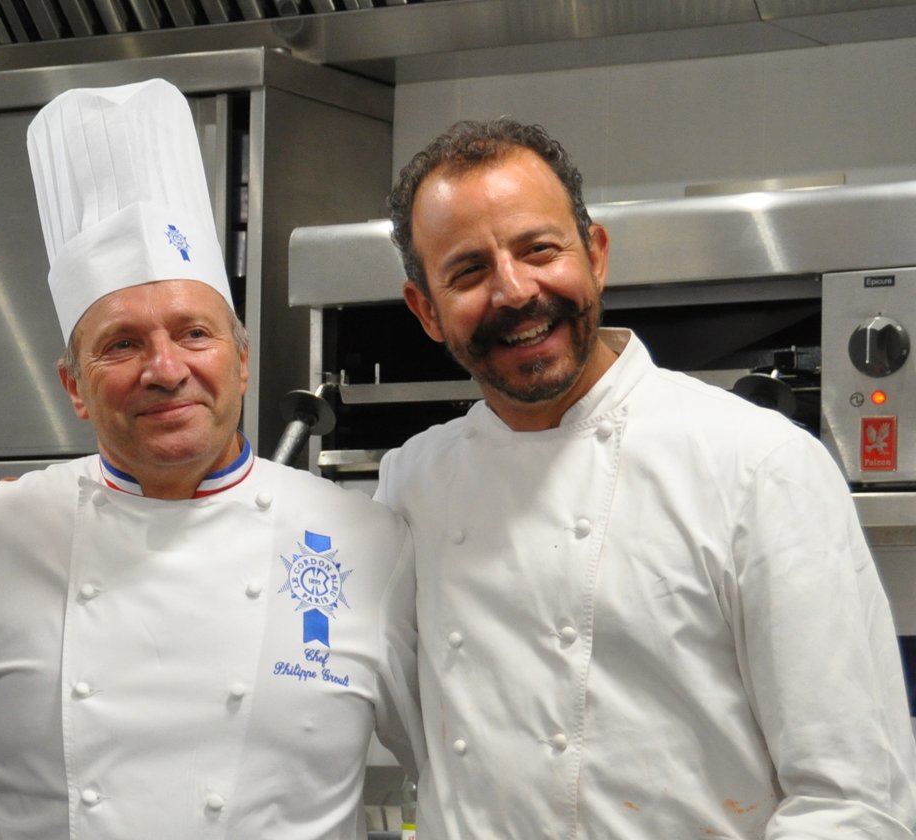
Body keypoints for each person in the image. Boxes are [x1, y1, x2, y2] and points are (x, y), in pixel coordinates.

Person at [0, 79, 422, 839]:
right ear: (73, 387)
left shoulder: (368, 542)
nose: (165, 369)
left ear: (242, 361)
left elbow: (452, 767)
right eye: (121, 344)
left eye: (194, 333)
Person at [379, 118, 916, 838]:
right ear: (426, 312)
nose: (514, 290)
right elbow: (396, 733)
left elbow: (855, 800)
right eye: (469, 271)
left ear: (595, 255)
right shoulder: (411, 486)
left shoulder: (758, 466)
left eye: (540, 249)